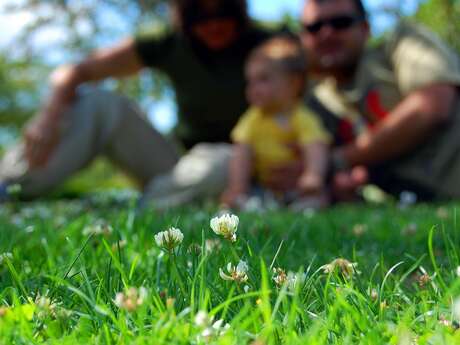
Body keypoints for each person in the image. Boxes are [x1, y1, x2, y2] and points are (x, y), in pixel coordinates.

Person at [0, 0, 276, 205]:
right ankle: (9, 186)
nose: (213, 23)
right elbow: (75, 71)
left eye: (223, 11)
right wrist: (48, 117)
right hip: (179, 169)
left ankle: (130, 205)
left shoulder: (272, 43)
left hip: (246, 173)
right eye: (198, 14)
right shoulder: (167, 41)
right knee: (100, 103)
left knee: (225, 161)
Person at [298, 0, 460, 200]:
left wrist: (339, 159)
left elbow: (434, 105)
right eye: (314, 28)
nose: (326, 33)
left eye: (340, 22)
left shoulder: (402, 42)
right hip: (409, 205)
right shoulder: (314, 100)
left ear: (365, 28)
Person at [220, 36, 331, 210]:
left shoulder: (301, 117)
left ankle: (302, 206)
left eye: (263, 79)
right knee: (246, 201)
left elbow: (315, 146)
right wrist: (238, 186)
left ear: (294, 83)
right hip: (264, 187)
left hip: (297, 187)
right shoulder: (252, 118)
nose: (253, 88)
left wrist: (312, 175)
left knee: (316, 199)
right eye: (250, 81)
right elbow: (242, 151)